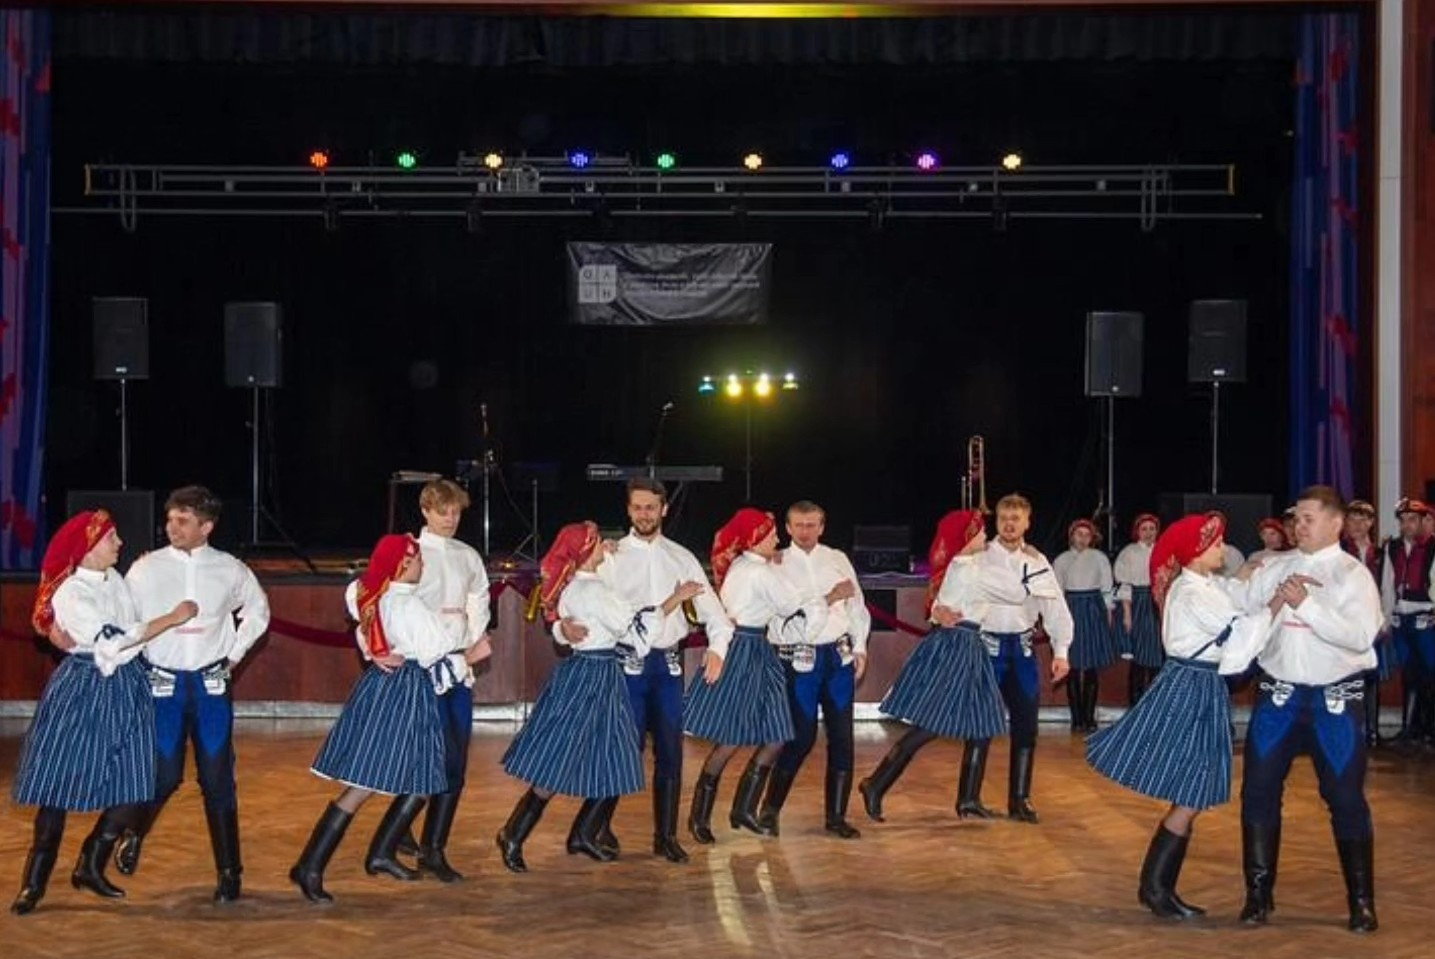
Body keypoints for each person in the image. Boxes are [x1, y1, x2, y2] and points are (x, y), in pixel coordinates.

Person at [1086, 513, 1278, 919]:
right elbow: (1239, 630)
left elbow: (1234, 595)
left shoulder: (1203, 584)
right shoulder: (1191, 591)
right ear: (1196, 551)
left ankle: (1158, 887)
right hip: (1192, 685)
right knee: (1192, 789)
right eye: (1216, 543)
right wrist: (1277, 605)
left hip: (1199, 685)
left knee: (1192, 789)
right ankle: (1156, 887)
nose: (1222, 549)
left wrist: (1254, 577)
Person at [11, 511, 196, 915]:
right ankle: (34, 883)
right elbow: (114, 641)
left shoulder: (114, 579)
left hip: (127, 685)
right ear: (89, 547)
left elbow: (133, 621)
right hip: (83, 686)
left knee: (136, 780)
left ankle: (91, 864)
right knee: (57, 783)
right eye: (111, 537)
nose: (120, 543)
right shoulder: (71, 593)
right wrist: (172, 618)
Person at [1224, 486, 1383, 933]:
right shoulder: (1276, 566)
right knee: (1258, 791)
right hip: (1279, 697)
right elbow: (1240, 610)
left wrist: (1305, 605)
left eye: (1310, 518)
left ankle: (1361, 902)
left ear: (1336, 523)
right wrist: (1219, 580)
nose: (1300, 525)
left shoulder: (1353, 575)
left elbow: (1360, 637)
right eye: (1297, 518)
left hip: (1334, 702)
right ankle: (1258, 895)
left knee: (1345, 797)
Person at [555, 477, 733, 863]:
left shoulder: (682, 558)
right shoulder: (609, 556)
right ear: (628, 510)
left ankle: (665, 837)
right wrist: (562, 629)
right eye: (637, 507)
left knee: (670, 751)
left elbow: (716, 613)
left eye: (651, 507)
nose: (644, 514)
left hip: (667, 665)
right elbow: (572, 603)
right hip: (624, 666)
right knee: (621, 750)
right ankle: (595, 827)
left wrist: (717, 649)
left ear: (664, 509)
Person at [497, 522, 693, 872]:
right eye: (599, 541)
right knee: (565, 758)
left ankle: (582, 834)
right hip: (593, 676)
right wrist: (673, 601)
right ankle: (514, 832)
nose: (608, 543)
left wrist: (605, 557)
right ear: (587, 551)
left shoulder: (581, 585)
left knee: (613, 755)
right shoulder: (594, 592)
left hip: (596, 673)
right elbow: (632, 629)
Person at [116, 485, 270, 903]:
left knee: (218, 778)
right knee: (163, 775)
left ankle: (229, 873)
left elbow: (258, 611)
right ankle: (134, 832)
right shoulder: (145, 569)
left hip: (209, 688)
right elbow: (122, 620)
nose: (172, 527)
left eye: (183, 521)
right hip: (162, 686)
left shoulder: (230, 569)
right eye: (170, 519)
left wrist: (234, 656)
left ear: (207, 526)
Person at [290, 534, 451, 903]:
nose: (422, 565)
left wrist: (375, 651)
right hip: (404, 691)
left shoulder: (376, 597)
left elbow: (368, 631)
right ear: (403, 564)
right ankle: (311, 865)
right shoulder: (407, 605)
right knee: (367, 780)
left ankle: (380, 852)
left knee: (423, 774)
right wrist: (469, 655)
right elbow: (434, 651)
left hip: (391, 687)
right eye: (418, 559)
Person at [684, 507, 826, 844]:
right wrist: (822, 597)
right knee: (735, 737)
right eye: (770, 533)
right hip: (745, 649)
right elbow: (791, 604)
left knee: (776, 730)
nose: (776, 538)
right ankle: (704, 816)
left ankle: (742, 809)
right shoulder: (759, 572)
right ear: (755, 538)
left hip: (756, 648)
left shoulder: (745, 565)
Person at [857, 509, 1009, 822]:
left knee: (981, 721)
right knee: (932, 724)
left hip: (968, 643)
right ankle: (876, 783)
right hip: (958, 645)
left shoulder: (968, 565)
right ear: (967, 538)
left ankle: (969, 799)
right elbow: (1013, 591)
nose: (986, 536)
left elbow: (942, 601)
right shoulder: (967, 568)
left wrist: (939, 609)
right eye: (980, 531)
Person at [377, 478, 491, 883]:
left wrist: (472, 639)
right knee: (424, 757)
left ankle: (434, 849)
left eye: (456, 512)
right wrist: (374, 647)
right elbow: (366, 596)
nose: (450, 519)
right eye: (443, 512)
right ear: (425, 511)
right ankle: (393, 839)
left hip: (457, 669)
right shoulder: (409, 552)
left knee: (455, 761)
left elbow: (479, 597)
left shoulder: (467, 555)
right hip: (420, 670)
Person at [756, 501, 870, 839]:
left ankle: (836, 817)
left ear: (822, 526)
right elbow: (788, 614)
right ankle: (769, 810)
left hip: (838, 658)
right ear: (788, 528)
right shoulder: (774, 563)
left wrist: (860, 646)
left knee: (843, 738)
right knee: (800, 737)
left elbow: (857, 606)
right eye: (799, 525)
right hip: (797, 660)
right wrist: (827, 597)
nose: (805, 531)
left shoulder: (837, 559)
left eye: (811, 525)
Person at [973, 494, 1073, 822]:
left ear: (1027, 522)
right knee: (980, 724)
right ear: (996, 521)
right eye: (1004, 518)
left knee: (1027, 725)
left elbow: (1055, 609)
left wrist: (1061, 652)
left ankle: (1020, 799)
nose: (1010, 524)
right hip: (987, 650)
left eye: (1016, 519)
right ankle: (970, 799)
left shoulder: (1038, 561)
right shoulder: (981, 557)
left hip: (1022, 651)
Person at [1054, 519, 1116, 732]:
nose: (1082, 539)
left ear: (1092, 538)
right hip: (1071, 608)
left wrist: (1108, 614)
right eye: (1078, 534)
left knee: (1091, 668)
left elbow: (1107, 589)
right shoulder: (1062, 560)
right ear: (1071, 536)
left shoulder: (1099, 558)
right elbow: (1057, 591)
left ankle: (1089, 717)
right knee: (1072, 666)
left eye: (1086, 535)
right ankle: (1076, 718)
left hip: (1093, 609)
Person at [1381, 498, 1434, 748]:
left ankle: (1429, 730)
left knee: (1430, 673)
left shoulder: (1432, 546)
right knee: (1409, 674)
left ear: (1424, 520)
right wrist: (1385, 618)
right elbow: (1387, 584)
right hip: (1401, 617)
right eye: (1403, 520)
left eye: (1412, 519)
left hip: (1427, 616)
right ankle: (1409, 729)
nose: (1407, 525)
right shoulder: (1392, 547)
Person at [1342, 500, 1390, 747]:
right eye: (1353, 519)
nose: (1358, 525)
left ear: (1371, 523)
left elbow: (1387, 587)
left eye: (1363, 520)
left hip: (1372, 622)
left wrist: (1384, 620)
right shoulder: (1339, 552)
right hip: (1345, 621)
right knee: (1346, 675)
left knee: (1371, 676)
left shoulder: (1381, 554)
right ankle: (1350, 728)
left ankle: (1372, 729)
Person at [1114, 513, 1162, 706]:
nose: (1148, 533)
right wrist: (1127, 614)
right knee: (1140, 657)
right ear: (1137, 532)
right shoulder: (1129, 553)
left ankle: (1155, 705)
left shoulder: (1163, 549)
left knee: (1158, 656)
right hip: (1139, 602)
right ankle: (1136, 705)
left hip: (1158, 601)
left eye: (1152, 529)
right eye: (1144, 529)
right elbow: (1125, 586)